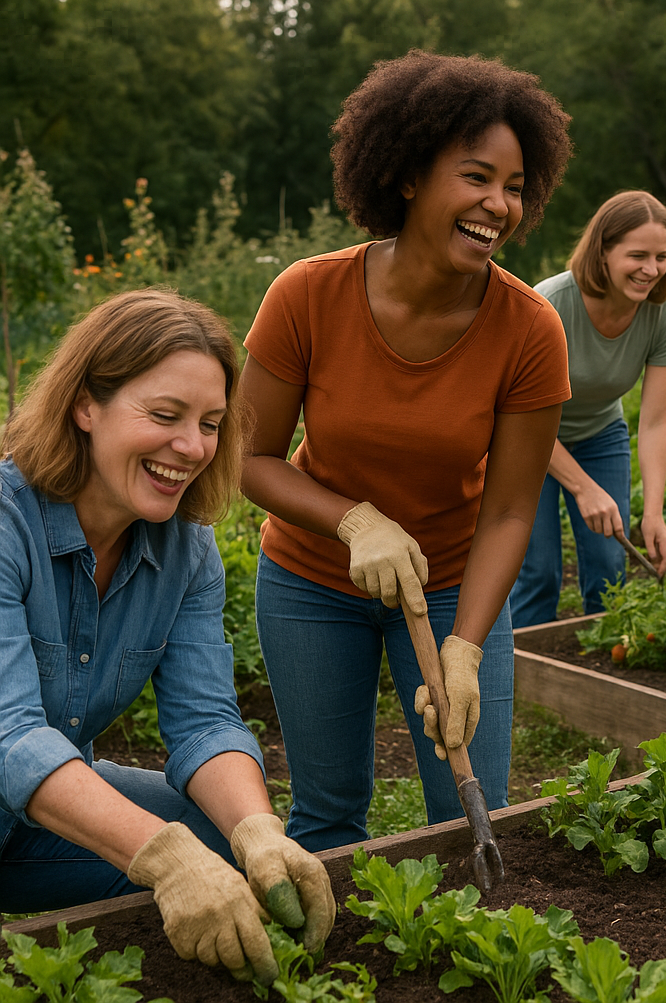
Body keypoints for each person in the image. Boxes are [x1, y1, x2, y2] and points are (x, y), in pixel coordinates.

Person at [239, 50, 573, 851]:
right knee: (327, 814)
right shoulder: (307, 295)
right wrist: (353, 521)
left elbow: (511, 509)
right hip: (311, 582)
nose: (499, 204)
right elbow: (249, 458)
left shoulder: (530, 330)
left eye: (516, 186)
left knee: (469, 817)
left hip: (458, 583)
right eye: (476, 177)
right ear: (409, 176)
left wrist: (465, 646)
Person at [0, 289, 334, 984]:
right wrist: (165, 858)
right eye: (164, 415)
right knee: (180, 853)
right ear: (85, 406)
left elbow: (205, 719)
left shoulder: (185, 549)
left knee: (226, 843)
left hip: (29, 828)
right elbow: (8, 735)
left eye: (211, 424)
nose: (192, 447)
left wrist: (258, 831)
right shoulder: (9, 523)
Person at [510, 190, 666, 628]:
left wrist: (654, 514)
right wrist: (582, 487)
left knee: (610, 565)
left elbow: (656, 421)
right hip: (527, 438)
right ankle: (520, 682)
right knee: (538, 568)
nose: (651, 270)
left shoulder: (664, 314)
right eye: (637, 255)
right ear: (603, 252)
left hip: (599, 434)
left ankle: (600, 672)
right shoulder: (549, 304)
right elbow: (517, 416)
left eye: (661, 257)